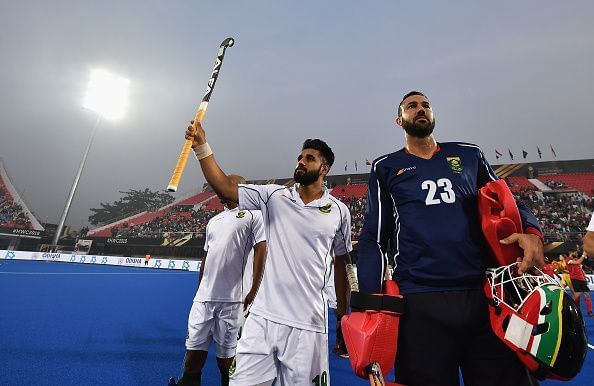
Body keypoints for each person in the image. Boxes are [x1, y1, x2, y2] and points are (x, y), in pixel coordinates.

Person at [357, 91, 545, 386]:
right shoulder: (386, 167)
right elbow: (373, 238)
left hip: (484, 295)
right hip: (420, 301)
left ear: (433, 115)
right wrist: (370, 307)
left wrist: (533, 233)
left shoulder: (469, 154)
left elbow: (508, 200)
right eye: (412, 106)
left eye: (426, 105)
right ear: (399, 120)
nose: (420, 109)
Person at [185, 122, 352, 385]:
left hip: (308, 326)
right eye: (300, 156)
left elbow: (341, 262)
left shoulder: (339, 211)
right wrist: (201, 146)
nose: (301, 161)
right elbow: (225, 187)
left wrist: (343, 315)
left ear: (324, 168)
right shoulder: (273, 196)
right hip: (261, 319)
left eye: (310, 158)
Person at [171, 175, 267, 386]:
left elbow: (262, 250)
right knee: (193, 356)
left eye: (229, 184)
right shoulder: (213, 221)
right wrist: (199, 290)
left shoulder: (255, 216)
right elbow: (206, 258)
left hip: (233, 301)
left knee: (227, 363)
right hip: (203, 300)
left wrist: (253, 291)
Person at [566, 250, 593, 317]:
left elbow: (581, 270)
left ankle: (590, 312)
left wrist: (584, 278)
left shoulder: (576, 259)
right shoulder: (568, 260)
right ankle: (573, 310)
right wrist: (583, 255)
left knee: (587, 295)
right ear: (571, 253)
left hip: (582, 280)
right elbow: (578, 262)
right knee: (577, 296)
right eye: (575, 252)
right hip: (575, 280)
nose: (577, 254)